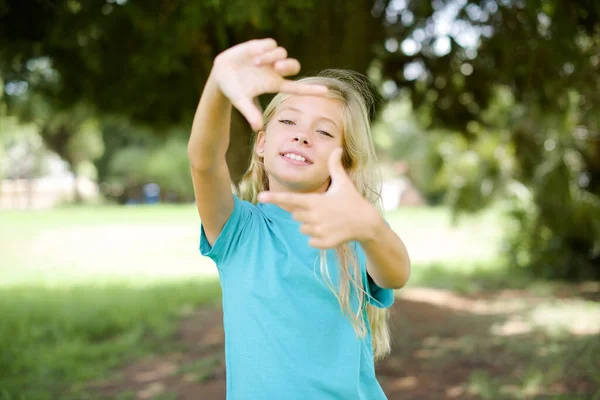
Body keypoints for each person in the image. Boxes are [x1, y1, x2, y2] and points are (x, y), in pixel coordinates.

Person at [187, 38, 411, 400]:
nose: (302, 135)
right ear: (261, 143)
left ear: (347, 161)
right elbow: (204, 160)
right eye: (289, 120)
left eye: (324, 132)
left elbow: (396, 273)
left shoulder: (354, 226)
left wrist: (370, 228)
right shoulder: (239, 231)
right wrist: (218, 86)